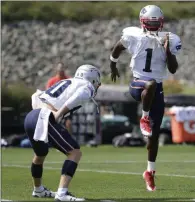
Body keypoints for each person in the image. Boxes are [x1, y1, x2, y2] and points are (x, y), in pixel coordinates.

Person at [109, 5, 182, 191]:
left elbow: (173, 69)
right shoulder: (133, 35)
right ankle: (144, 117)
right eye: (150, 23)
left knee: (153, 137)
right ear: (142, 22)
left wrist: (167, 51)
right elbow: (117, 48)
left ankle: (149, 172)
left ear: (161, 22)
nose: (152, 26)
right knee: (149, 83)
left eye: (155, 23)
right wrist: (113, 65)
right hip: (137, 84)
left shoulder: (169, 39)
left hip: (157, 89)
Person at [24, 64, 101, 201]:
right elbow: (78, 96)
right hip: (44, 117)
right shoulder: (86, 85)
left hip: (31, 116)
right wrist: (59, 114)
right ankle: (62, 194)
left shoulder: (67, 81)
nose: (97, 86)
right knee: (74, 152)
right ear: (92, 78)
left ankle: (38, 190)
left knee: (40, 154)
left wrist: (42, 110)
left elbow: (35, 95)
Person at [46, 62, 73, 135]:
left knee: (68, 123)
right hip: (54, 107)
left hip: (66, 106)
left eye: (62, 68)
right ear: (56, 69)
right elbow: (47, 95)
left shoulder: (69, 80)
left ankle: (69, 140)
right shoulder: (52, 81)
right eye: (59, 68)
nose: (61, 69)